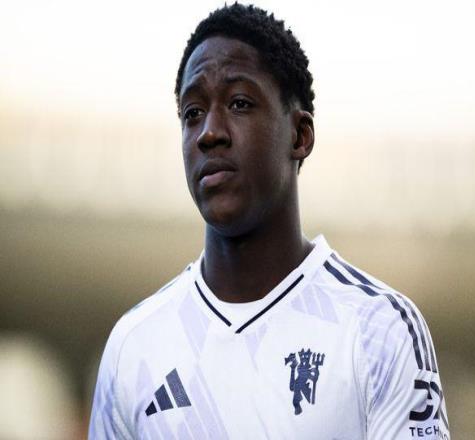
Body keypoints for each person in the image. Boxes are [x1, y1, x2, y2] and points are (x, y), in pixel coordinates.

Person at [89, 4, 450, 439]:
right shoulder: (134, 346)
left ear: (300, 135)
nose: (209, 132)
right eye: (192, 113)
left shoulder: (378, 328)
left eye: (239, 103)